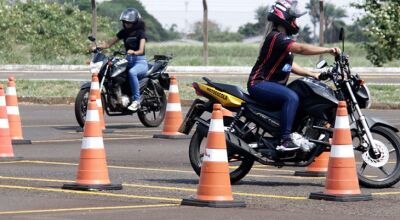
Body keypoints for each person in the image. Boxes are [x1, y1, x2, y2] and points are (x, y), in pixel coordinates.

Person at [247, 0, 341, 151]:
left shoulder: (283, 41)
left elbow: (289, 66)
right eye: (294, 18)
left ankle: (297, 133)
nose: (296, 22)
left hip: (271, 85)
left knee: (301, 94)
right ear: (285, 17)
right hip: (259, 84)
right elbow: (302, 49)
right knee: (291, 97)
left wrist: (312, 74)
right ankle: (285, 140)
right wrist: (328, 50)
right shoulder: (276, 37)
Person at [94, 8, 148, 111]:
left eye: (129, 22)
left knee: (132, 72)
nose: (126, 24)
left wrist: (134, 52)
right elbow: (109, 43)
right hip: (128, 61)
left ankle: (137, 101)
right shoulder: (124, 32)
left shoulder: (141, 33)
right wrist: (97, 47)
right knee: (115, 74)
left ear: (135, 22)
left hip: (140, 62)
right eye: (125, 22)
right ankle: (120, 97)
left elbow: (141, 50)